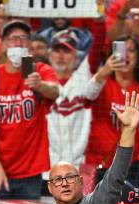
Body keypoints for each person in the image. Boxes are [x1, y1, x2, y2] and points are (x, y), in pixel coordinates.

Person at [0, 19, 59, 199]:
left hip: (30, 172)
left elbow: (55, 91)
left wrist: (39, 85)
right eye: (13, 38)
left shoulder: (40, 70)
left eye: (24, 38)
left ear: (30, 45)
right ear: (2, 45)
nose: (19, 42)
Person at [84, 36, 139, 191]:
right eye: (121, 50)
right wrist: (104, 71)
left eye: (131, 50)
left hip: (136, 166)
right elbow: (87, 95)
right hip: (103, 165)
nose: (126, 55)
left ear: (138, 57)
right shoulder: (102, 81)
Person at [46, 29, 92, 183]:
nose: (60, 56)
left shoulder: (84, 78)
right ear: (49, 55)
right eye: (57, 51)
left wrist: (99, 20)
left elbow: (98, 46)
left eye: (66, 51)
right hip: (47, 170)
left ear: (77, 57)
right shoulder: (39, 82)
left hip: (81, 168)